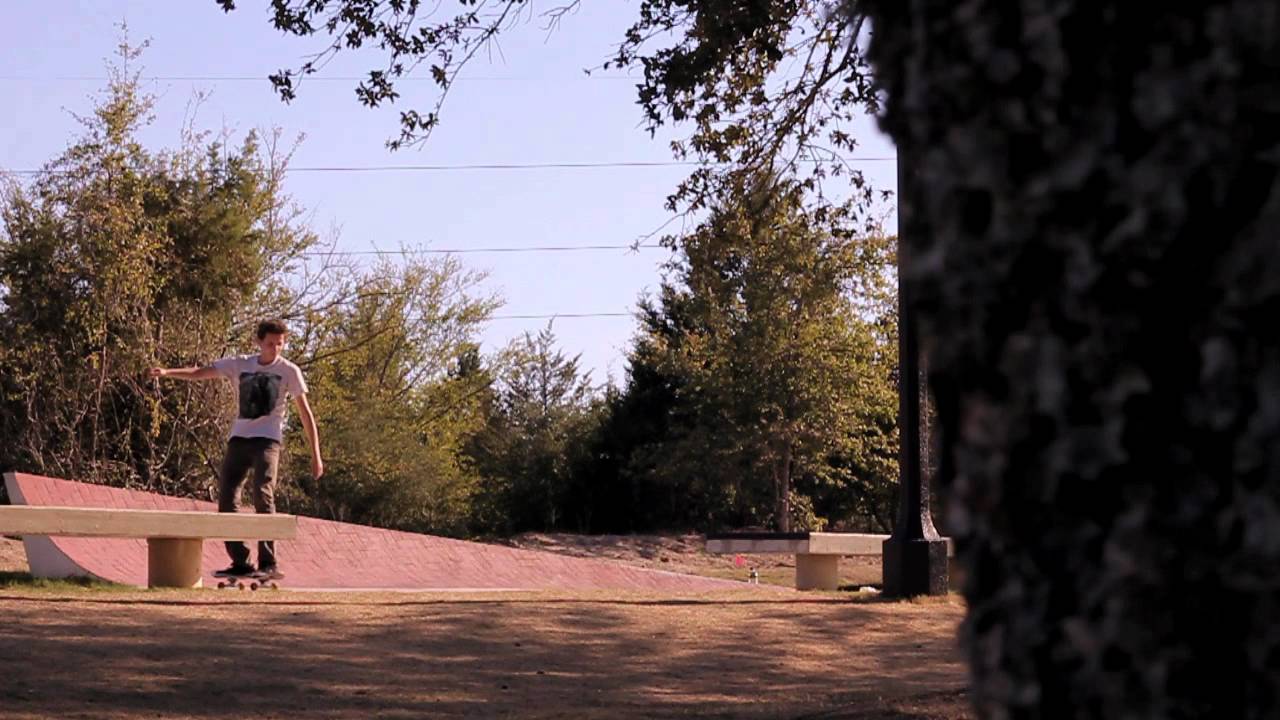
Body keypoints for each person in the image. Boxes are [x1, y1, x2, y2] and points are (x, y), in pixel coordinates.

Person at [150, 319, 323, 579]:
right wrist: (168, 372)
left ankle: (268, 563)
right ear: (258, 342)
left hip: (268, 440)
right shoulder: (241, 364)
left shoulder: (289, 371)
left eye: (280, 344)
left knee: (263, 492)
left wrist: (316, 456)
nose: (275, 350)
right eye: (270, 344)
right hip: (239, 439)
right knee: (228, 497)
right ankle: (240, 561)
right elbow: (201, 372)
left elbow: (305, 413)